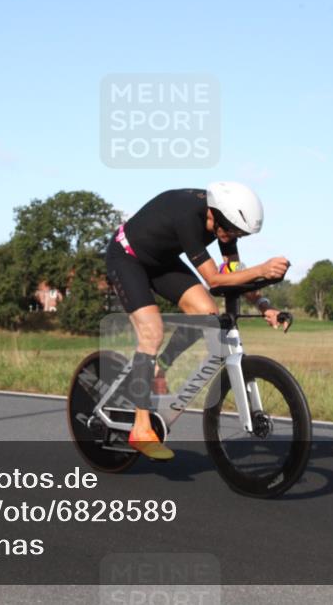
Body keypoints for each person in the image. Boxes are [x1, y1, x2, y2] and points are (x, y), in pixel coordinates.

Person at [105, 182, 290, 460]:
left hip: (161, 262)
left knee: (207, 314)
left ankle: (160, 367)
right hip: (127, 257)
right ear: (214, 214)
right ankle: (141, 429)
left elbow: (234, 273)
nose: (232, 237)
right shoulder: (188, 216)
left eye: (239, 234)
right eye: (232, 230)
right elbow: (215, 280)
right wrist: (262, 269)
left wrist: (264, 305)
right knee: (152, 332)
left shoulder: (224, 223)